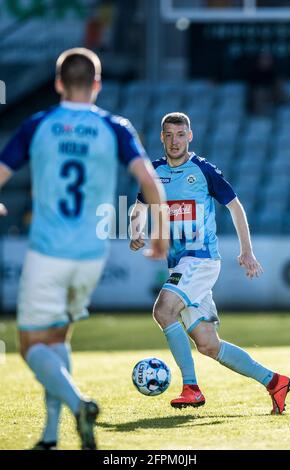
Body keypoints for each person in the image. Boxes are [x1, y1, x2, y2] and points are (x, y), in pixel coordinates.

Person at [0, 48, 167, 450]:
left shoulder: (38, 124)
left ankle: (79, 404)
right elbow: (149, 181)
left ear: (58, 83)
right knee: (58, 339)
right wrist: (159, 236)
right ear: (97, 84)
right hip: (92, 255)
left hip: (47, 252)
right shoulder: (116, 126)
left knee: (30, 347)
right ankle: (51, 434)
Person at [130, 112, 290, 414]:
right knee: (207, 344)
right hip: (178, 265)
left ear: (189, 136)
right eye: (169, 135)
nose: (175, 141)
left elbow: (235, 206)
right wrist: (135, 230)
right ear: (162, 137)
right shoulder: (154, 171)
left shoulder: (203, 170)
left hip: (200, 261)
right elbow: (139, 207)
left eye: (180, 135)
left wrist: (247, 251)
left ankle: (191, 388)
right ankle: (274, 382)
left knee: (164, 311)